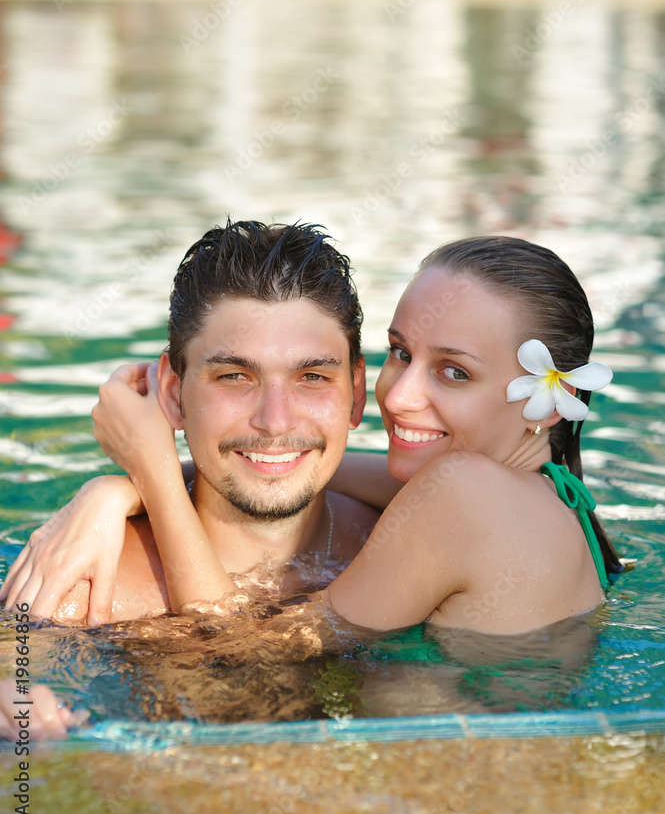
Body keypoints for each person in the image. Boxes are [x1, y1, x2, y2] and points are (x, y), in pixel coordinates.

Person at [85, 234, 621, 634]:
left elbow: (240, 654)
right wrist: (119, 489)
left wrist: (151, 468)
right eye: (401, 353)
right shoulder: (552, 499)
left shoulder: (464, 491)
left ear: (546, 405)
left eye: (454, 372)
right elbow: (293, 456)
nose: (400, 395)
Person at [0, 220, 382, 625]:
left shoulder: (403, 544)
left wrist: (138, 480)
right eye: (234, 377)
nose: (275, 422)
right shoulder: (81, 592)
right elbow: (17, 682)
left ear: (356, 394)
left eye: (312, 378)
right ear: (171, 393)